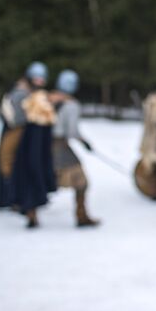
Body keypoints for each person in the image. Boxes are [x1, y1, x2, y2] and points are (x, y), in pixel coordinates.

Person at [0, 62, 57, 227]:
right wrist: (33, 113)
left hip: (31, 139)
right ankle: (16, 199)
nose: (39, 82)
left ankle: (26, 202)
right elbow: (15, 119)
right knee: (13, 166)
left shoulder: (34, 94)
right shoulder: (20, 93)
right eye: (36, 79)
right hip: (20, 136)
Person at [48, 69, 99, 227]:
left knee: (45, 177)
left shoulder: (48, 99)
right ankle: (81, 216)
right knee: (81, 181)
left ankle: (31, 214)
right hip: (60, 146)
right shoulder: (71, 105)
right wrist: (84, 142)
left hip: (42, 146)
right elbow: (72, 131)